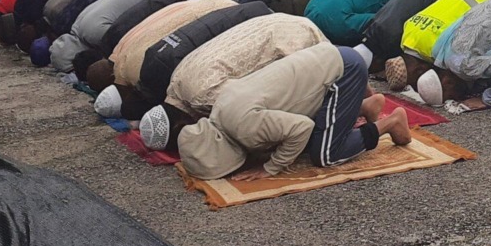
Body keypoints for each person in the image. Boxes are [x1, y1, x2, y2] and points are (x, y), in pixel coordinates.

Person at [175, 43, 412, 182]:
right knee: (305, 141)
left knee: (326, 154)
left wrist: (271, 167)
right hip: (331, 57)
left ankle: (391, 123)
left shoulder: (243, 128)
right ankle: (365, 107)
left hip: (343, 71)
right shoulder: (220, 111)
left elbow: (302, 127)